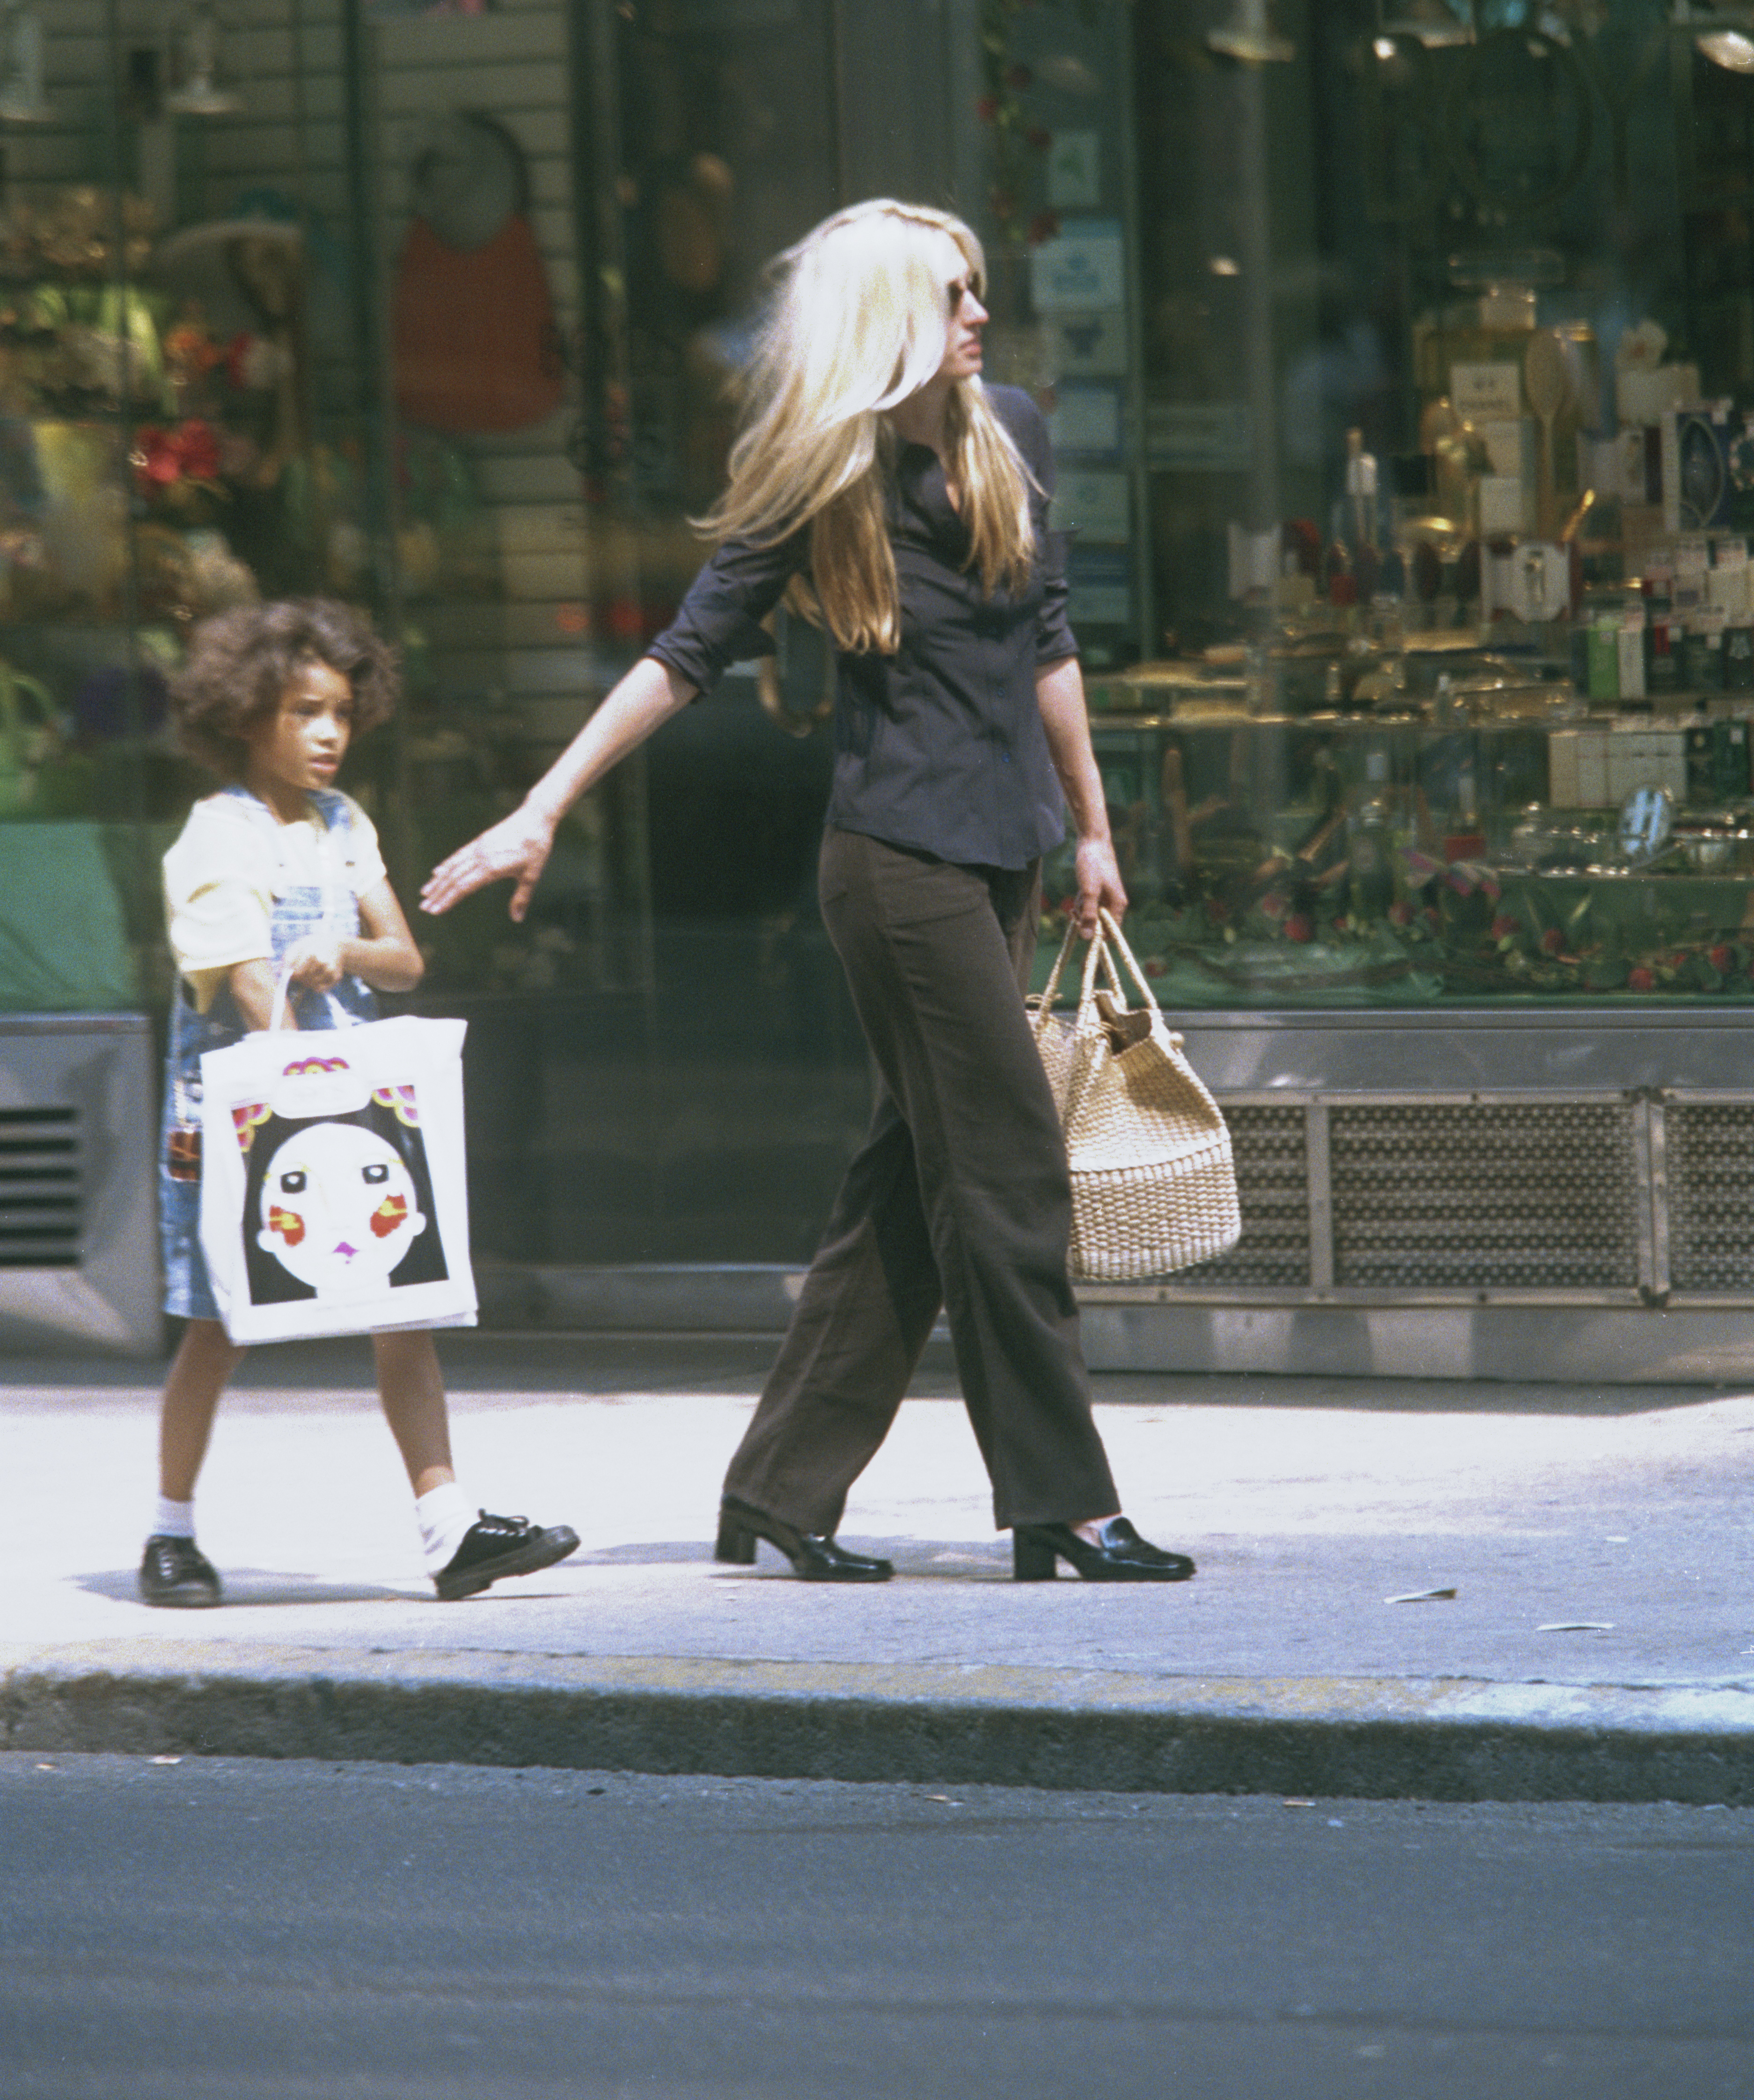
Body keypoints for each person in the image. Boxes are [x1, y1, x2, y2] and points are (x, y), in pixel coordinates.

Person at [423, 200, 1194, 1586]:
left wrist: (1092, 827)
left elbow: (1050, 641)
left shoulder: (1008, 424)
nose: (977, 314)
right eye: (950, 294)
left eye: (975, 289)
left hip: (1003, 848)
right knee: (1009, 1167)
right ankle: (1062, 1506)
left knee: (912, 1181)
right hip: (895, 866)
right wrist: (542, 806)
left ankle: (776, 1493)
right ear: (886, 317)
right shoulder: (823, 472)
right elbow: (686, 653)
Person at [141, 597, 579, 1609]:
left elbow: (406, 961)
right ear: (245, 715)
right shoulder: (219, 839)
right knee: (218, 1325)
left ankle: (448, 1526)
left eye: (339, 709)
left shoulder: (343, 825)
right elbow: (252, 993)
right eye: (302, 711)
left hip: (342, 1103)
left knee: (402, 1309)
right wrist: (298, 1059)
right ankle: (169, 1534)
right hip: (250, 1117)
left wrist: (345, 952)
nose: (329, 733)